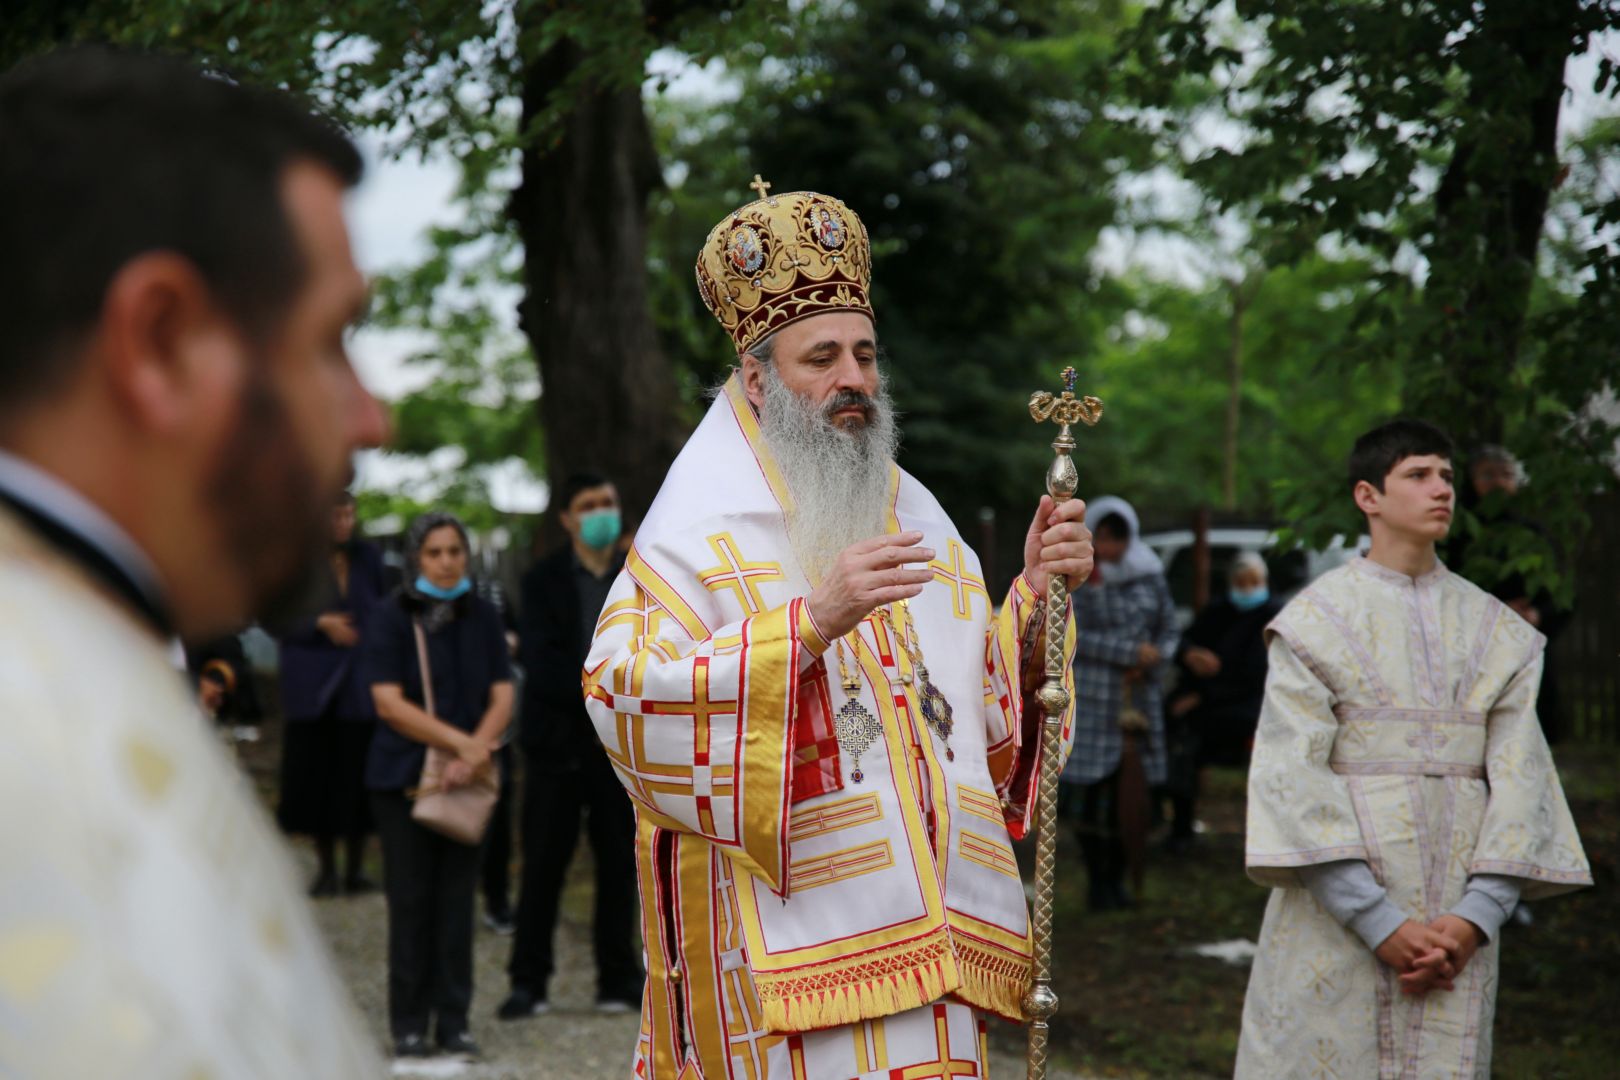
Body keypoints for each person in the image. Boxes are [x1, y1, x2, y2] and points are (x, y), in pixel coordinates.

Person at [582, 182, 1094, 1078]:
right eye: (820, 357)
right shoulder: (695, 535)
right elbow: (620, 695)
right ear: (756, 378)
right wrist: (809, 627)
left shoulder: (921, 519)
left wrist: (1037, 605)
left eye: (863, 353)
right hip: (779, 967)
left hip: (937, 956)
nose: (853, 378)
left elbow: (979, 724)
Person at [0, 47, 387, 1077]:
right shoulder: (38, 750)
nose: (373, 418)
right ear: (159, 343)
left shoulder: (75, 652)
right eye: (330, 340)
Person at [1236, 419, 1591, 1078]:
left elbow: (1522, 781)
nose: (1442, 490)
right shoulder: (1314, 625)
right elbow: (1293, 780)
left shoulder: (1497, 633)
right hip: (1335, 921)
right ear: (1368, 496)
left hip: (1458, 926)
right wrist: (1379, 922)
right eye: (1419, 475)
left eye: (1448, 477)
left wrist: (1475, 916)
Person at [364, 511, 514, 1061]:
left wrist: (474, 749)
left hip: (468, 780)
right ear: (415, 559)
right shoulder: (390, 616)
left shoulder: (483, 615)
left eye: (455, 551)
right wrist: (464, 744)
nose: (448, 562)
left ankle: (454, 1023)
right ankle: (408, 1025)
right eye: (435, 553)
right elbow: (388, 702)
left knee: (457, 904)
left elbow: (503, 692)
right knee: (411, 903)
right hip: (404, 778)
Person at [500, 471, 641, 1019]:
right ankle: (528, 982)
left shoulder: (637, 577)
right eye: (589, 505)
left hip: (616, 747)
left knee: (617, 865)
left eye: (608, 501)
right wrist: (601, 688)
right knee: (543, 865)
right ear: (567, 518)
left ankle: (618, 978)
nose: (601, 512)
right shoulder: (541, 580)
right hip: (557, 744)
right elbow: (541, 661)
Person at [1060, 495, 1178, 909]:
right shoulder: (1075, 577)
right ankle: (1097, 884)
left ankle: (1120, 880)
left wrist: (1154, 658)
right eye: (1103, 537)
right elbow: (1072, 633)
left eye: (1117, 538)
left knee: (1133, 795)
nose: (1109, 547)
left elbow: (1168, 626)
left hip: (1138, 702)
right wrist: (1128, 654)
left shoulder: (1150, 574)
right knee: (1092, 799)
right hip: (1095, 703)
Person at [276, 490, 388, 896]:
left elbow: (382, 609)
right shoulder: (297, 559)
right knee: (318, 779)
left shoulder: (368, 559)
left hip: (357, 683)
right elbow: (276, 616)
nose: (342, 524)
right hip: (313, 686)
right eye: (334, 516)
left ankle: (356, 868)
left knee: (356, 777)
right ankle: (325, 869)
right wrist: (319, 623)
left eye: (348, 516)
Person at [1162, 551, 1281, 849]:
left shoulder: (1274, 615)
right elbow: (1183, 641)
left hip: (1251, 704)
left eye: (1252, 582)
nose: (1246, 588)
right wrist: (1191, 654)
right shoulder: (1218, 611)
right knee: (1172, 725)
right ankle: (1179, 825)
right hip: (1206, 700)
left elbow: (1256, 673)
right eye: (1240, 582)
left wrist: (1201, 695)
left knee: (1196, 726)